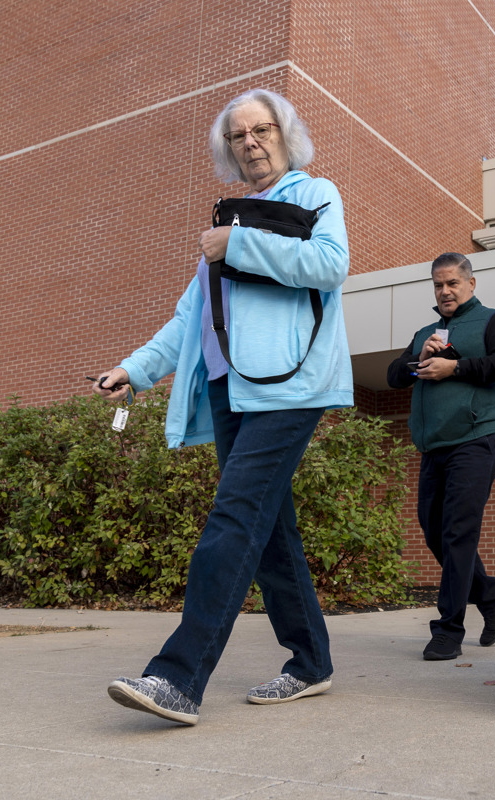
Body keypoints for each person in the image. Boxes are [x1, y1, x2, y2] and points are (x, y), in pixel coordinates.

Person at [94, 88, 352, 725]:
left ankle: (178, 679)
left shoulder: (315, 195)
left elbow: (330, 265)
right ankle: (311, 661)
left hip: (289, 388)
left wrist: (234, 246)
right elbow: (189, 319)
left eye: (262, 129)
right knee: (270, 534)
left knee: (233, 520)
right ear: (229, 151)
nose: (251, 142)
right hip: (230, 388)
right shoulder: (226, 219)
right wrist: (136, 369)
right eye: (239, 136)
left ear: (285, 136)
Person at [386, 253, 495, 660]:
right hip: (436, 446)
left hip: (478, 438)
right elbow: (395, 376)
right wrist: (418, 359)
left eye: (452, 284)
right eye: (438, 285)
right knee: (433, 529)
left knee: (457, 531)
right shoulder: (426, 331)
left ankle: (448, 631)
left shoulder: (493, 321)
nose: (445, 292)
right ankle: (494, 595)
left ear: (470, 284)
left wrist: (455, 367)